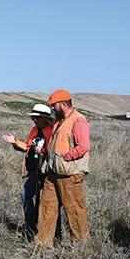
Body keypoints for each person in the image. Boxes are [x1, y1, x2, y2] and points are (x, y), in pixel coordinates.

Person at [35, 89, 92, 248]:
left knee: (74, 211)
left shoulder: (78, 120)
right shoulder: (58, 122)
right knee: (46, 208)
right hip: (52, 173)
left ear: (63, 104)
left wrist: (66, 157)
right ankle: (43, 245)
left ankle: (80, 247)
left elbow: (84, 146)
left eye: (54, 106)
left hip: (70, 174)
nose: (52, 109)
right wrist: (45, 151)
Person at [1, 103, 55, 240]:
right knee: (26, 196)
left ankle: (45, 233)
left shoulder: (53, 131)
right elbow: (28, 146)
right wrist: (14, 142)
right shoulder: (34, 130)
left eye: (37, 118)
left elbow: (54, 152)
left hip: (47, 174)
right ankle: (30, 228)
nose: (34, 120)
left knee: (44, 203)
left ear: (45, 118)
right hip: (33, 172)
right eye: (33, 118)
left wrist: (43, 151)